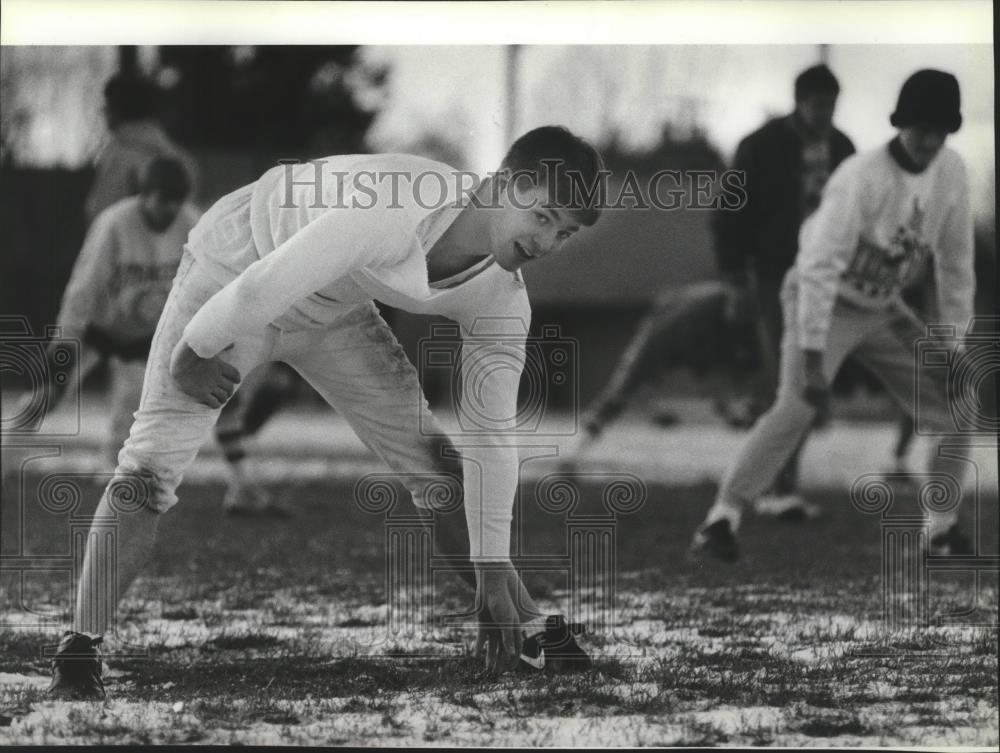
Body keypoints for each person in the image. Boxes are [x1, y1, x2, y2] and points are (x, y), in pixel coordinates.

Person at [47, 126, 604, 698]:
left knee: (440, 468)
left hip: (333, 306)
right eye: (542, 215)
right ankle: (80, 644)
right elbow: (268, 283)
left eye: (563, 233)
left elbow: (492, 435)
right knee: (148, 469)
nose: (546, 242)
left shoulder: (503, 298)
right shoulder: (393, 203)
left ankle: (526, 624)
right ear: (503, 183)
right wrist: (192, 349)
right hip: (239, 266)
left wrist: (490, 564)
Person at [691, 70, 975, 562]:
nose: (929, 140)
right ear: (901, 124)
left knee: (958, 401)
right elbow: (819, 267)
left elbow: (955, 266)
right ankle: (721, 519)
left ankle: (941, 532)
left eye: (940, 130)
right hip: (820, 297)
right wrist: (814, 352)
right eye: (920, 128)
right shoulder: (861, 177)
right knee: (797, 405)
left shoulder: (952, 174)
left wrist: (952, 348)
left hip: (883, 307)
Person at [713, 64, 856, 519]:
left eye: (832, 106)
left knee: (811, 381)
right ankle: (777, 485)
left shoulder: (843, 147)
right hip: (776, 275)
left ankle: (779, 480)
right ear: (800, 101)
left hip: (828, 276)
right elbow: (728, 212)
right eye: (818, 105)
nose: (825, 115)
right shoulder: (761, 146)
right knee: (790, 377)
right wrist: (735, 277)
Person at [86, 74, 199, 224]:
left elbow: (102, 215)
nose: (104, 112)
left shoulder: (119, 155)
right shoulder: (183, 159)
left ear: (116, 111)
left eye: (107, 106)